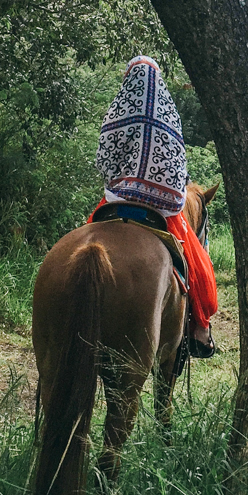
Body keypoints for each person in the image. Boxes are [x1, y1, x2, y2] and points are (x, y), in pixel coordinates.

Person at [93, 55, 217, 357]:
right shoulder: (169, 115)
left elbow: (104, 159)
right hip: (162, 206)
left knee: (88, 234)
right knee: (196, 260)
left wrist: (123, 180)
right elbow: (178, 168)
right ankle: (201, 328)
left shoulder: (120, 108)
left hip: (119, 200)